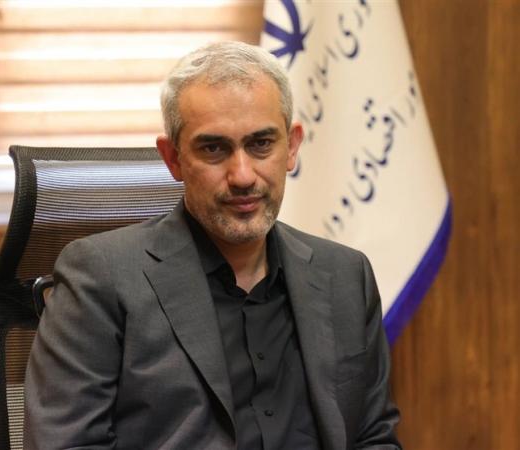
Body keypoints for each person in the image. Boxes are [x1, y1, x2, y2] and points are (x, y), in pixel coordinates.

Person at [24, 41, 401, 449]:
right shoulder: (100, 278)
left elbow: (373, 436)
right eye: (214, 148)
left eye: (261, 144)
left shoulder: (345, 275)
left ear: (291, 146)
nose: (243, 176)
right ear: (173, 158)